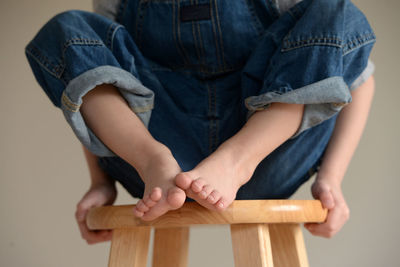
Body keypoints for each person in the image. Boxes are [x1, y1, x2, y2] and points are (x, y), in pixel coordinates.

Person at [25, 0, 375, 243]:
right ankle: (152, 159)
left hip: (264, 155)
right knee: (66, 29)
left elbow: (355, 76)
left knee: (336, 12)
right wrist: (101, 183)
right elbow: (95, 79)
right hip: (157, 170)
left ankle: (236, 160)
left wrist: (331, 180)